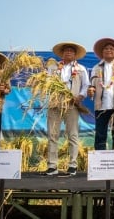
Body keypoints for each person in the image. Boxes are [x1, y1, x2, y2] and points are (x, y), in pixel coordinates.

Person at [42, 41, 90, 176]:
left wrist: (80, 96)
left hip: (72, 103)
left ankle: (73, 165)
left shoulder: (81, 69)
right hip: (55, 103)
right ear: (62, 53)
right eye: (66, 50)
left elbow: (86, 85)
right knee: (52, 134)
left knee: (72, 134)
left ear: (75, 54)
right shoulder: (54, 68)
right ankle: (52, 166)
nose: (68, 52)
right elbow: (46, 83)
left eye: (71, 51)